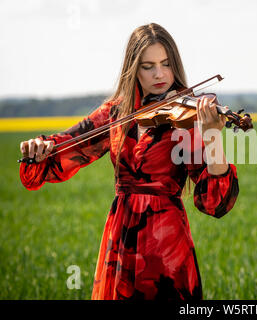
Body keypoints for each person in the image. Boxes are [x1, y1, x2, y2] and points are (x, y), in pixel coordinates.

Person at [18, 23, 239, 300]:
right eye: (148, 66)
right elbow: (68, 146)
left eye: (166, 63)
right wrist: (40, 149)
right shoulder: (115, 113)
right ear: (134, 68)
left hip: (166, 244)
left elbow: (215, 203)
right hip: (121, 241)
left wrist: (213, 138)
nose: (159, 74)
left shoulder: (187, 117)